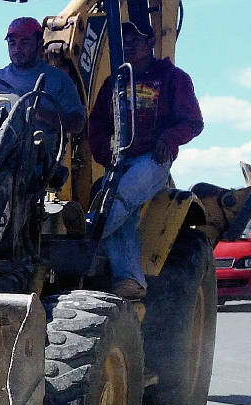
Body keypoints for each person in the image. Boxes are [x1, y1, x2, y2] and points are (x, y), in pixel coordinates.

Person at [88, 21, 204, 300]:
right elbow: (98, 123)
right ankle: (130, 281)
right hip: (119, 159)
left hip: (152, 159)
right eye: (124, 40)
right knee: (124, 213)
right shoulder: (114, 82)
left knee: (119, 199)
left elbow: (193, 122)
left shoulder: (173, 78)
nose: (129, 45)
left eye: (135, 40)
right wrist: (105, 153)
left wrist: (169, 138)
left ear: (151, 42)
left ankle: (88, 238)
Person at [0, 17, 86, 142]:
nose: (17, 49)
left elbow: (78, 124)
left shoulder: (58, 80)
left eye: (24, 43)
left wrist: (44, 114)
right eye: (12, 43)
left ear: (40, 44)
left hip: (41, 159)